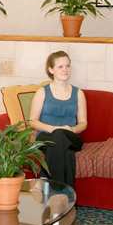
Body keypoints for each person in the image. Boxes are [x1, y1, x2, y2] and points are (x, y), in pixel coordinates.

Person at [28, 51, 88, 186]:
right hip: (46, 137)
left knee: (61, 135)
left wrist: (71, 128)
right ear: (51, 69)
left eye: (67, 66)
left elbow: (83, 123)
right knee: (66, 153)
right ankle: (67, 200)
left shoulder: (78, 93)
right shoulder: (42, 92)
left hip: (71, 136)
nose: (65, 70)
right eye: (60, 66)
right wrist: (53, 129)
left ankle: (48, 183)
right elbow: (32, 121)